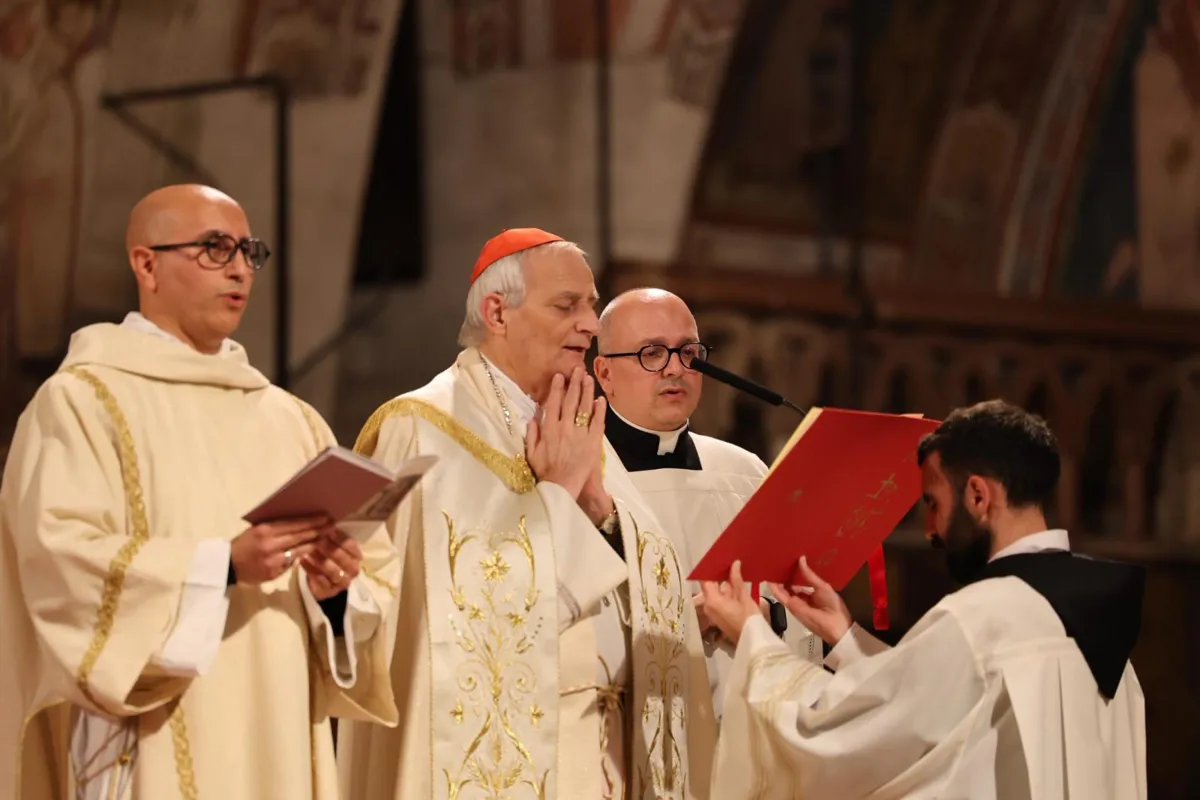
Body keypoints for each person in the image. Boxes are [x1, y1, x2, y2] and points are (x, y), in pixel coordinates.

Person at [0, 184, 400, 799]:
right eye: (215, 249)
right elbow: (56, 560)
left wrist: (336, 593)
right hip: (154, 727)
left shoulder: (290, 419)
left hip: (279, 725)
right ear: (146, 264)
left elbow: (368, 582)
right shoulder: (82, 402)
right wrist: (222, 567)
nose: (240, 268)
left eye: (248, 250)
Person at [337, 229, 716, 800]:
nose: (590, 324)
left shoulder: (577, 422)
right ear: (497, 312)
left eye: (591, 304)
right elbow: (447, 626)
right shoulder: (420, 429)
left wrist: (600, 511)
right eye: (568, 306)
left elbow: (645, 576)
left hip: (610, 748)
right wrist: (558, 496)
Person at [700, 399, 1146, 799]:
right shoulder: (1094, 625)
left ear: (977, 495)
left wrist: (755, 641)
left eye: (933, 503)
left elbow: (845, 735)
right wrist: (846, 638)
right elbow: (939, 709)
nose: (931, 529)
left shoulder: (983, 617)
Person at [592, 288, 820, 717]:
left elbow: (796, 613)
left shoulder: (743, 472)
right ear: (604, 373)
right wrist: (681, 623)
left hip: (740, 734)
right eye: (652, 353)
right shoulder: (581, 478)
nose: (676, 368)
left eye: (689, 352)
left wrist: (765, 617)